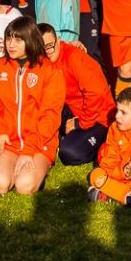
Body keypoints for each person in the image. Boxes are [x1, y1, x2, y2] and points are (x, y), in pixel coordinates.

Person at [0, 16, 65, 195]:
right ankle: (12, 165)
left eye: (18, 40)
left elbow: (50, 116)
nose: (11, 44)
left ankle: (40, 169)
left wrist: (29, 149)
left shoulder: (49, 70)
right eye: (8, 39)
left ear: (30, 40)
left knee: (24, 186)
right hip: (9, 141)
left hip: (39, 143)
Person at [41, 24, 115, 166]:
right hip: (70, 110)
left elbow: (97, 94)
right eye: (41, 48)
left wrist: (80, 123)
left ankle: (102, 143)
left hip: (98, 117)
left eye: (49, 46)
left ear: (58, 41)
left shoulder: (74, 57)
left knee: (69, 153)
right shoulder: (42, 61)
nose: (46, 52)